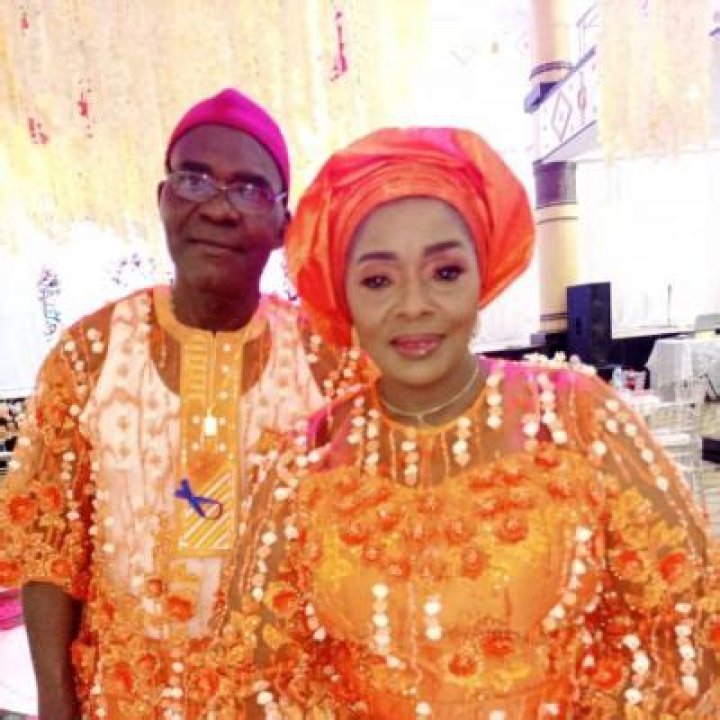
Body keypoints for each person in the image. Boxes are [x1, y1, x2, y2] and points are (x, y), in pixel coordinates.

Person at [214, 127, 719, 718]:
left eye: (446, 272)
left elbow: (688, 620)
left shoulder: (576, 419)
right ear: (344, 296)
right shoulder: (304, 462)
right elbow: (258, 672)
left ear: (484, 277)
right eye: (378, 280)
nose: (414, 305)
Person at [0, 88, 358, 719]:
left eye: (249, 189)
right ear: (163, 198)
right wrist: (57, 703)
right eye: (194, 180)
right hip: (127, 700)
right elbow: (50, 550)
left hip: (288, 700)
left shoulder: (331, 364)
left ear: (284, 223)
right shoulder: (89, 356)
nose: (218, 208)